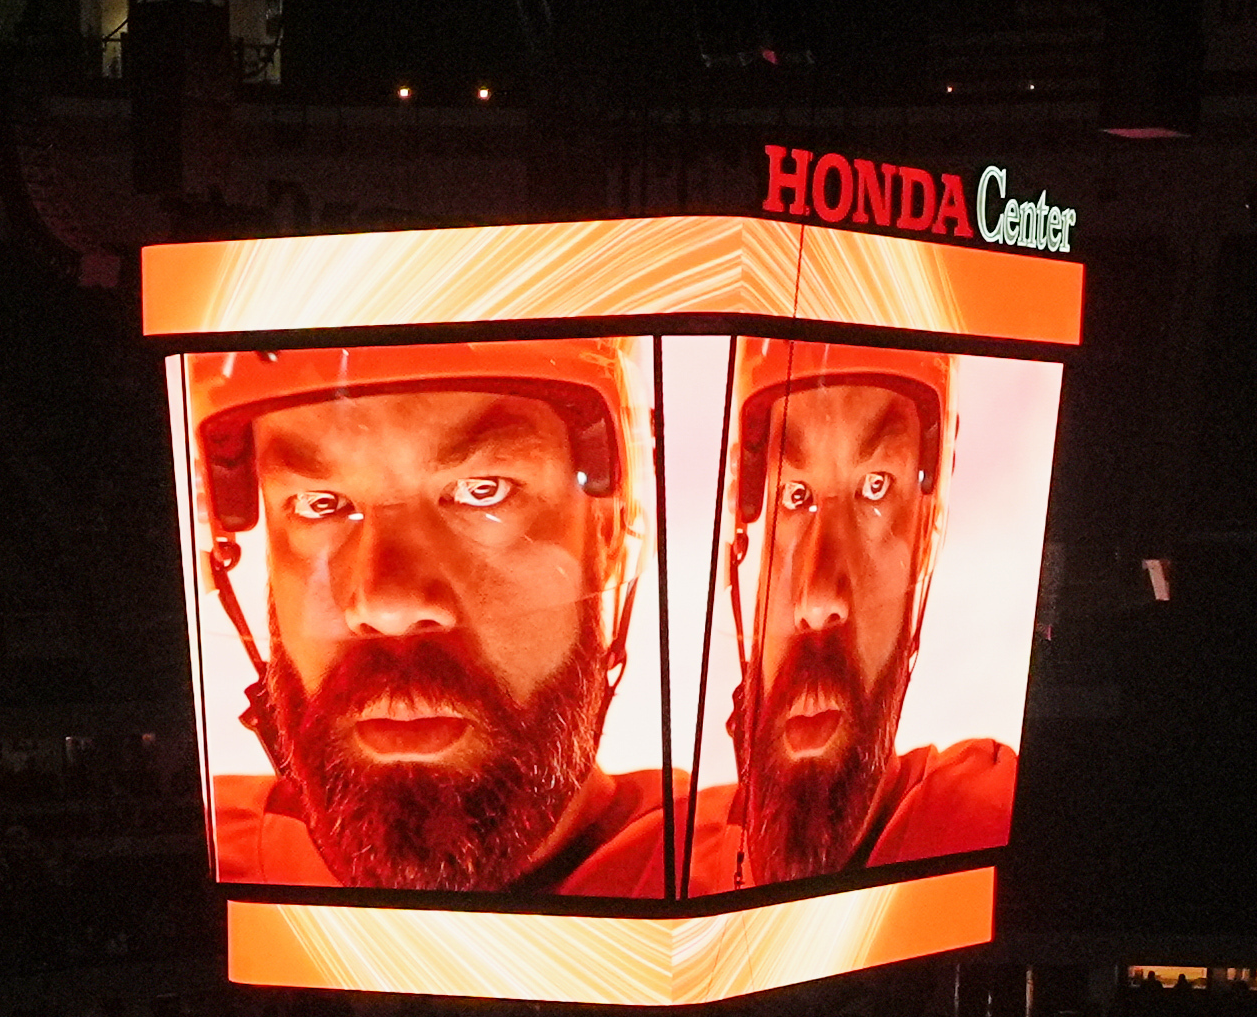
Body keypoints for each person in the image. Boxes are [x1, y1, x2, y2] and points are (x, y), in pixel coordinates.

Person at [184, 346, 677, 898]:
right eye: (319, 503)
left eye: (483, 490)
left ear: (607, 533)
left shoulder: (713, 868)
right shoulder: (193, 864)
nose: (389, 609)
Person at [687, 341, 1015, 889]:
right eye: (794, 494)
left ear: (923, 538)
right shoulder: (673, 849)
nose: (817, 602)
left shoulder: (980, 821)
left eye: (875, 486)